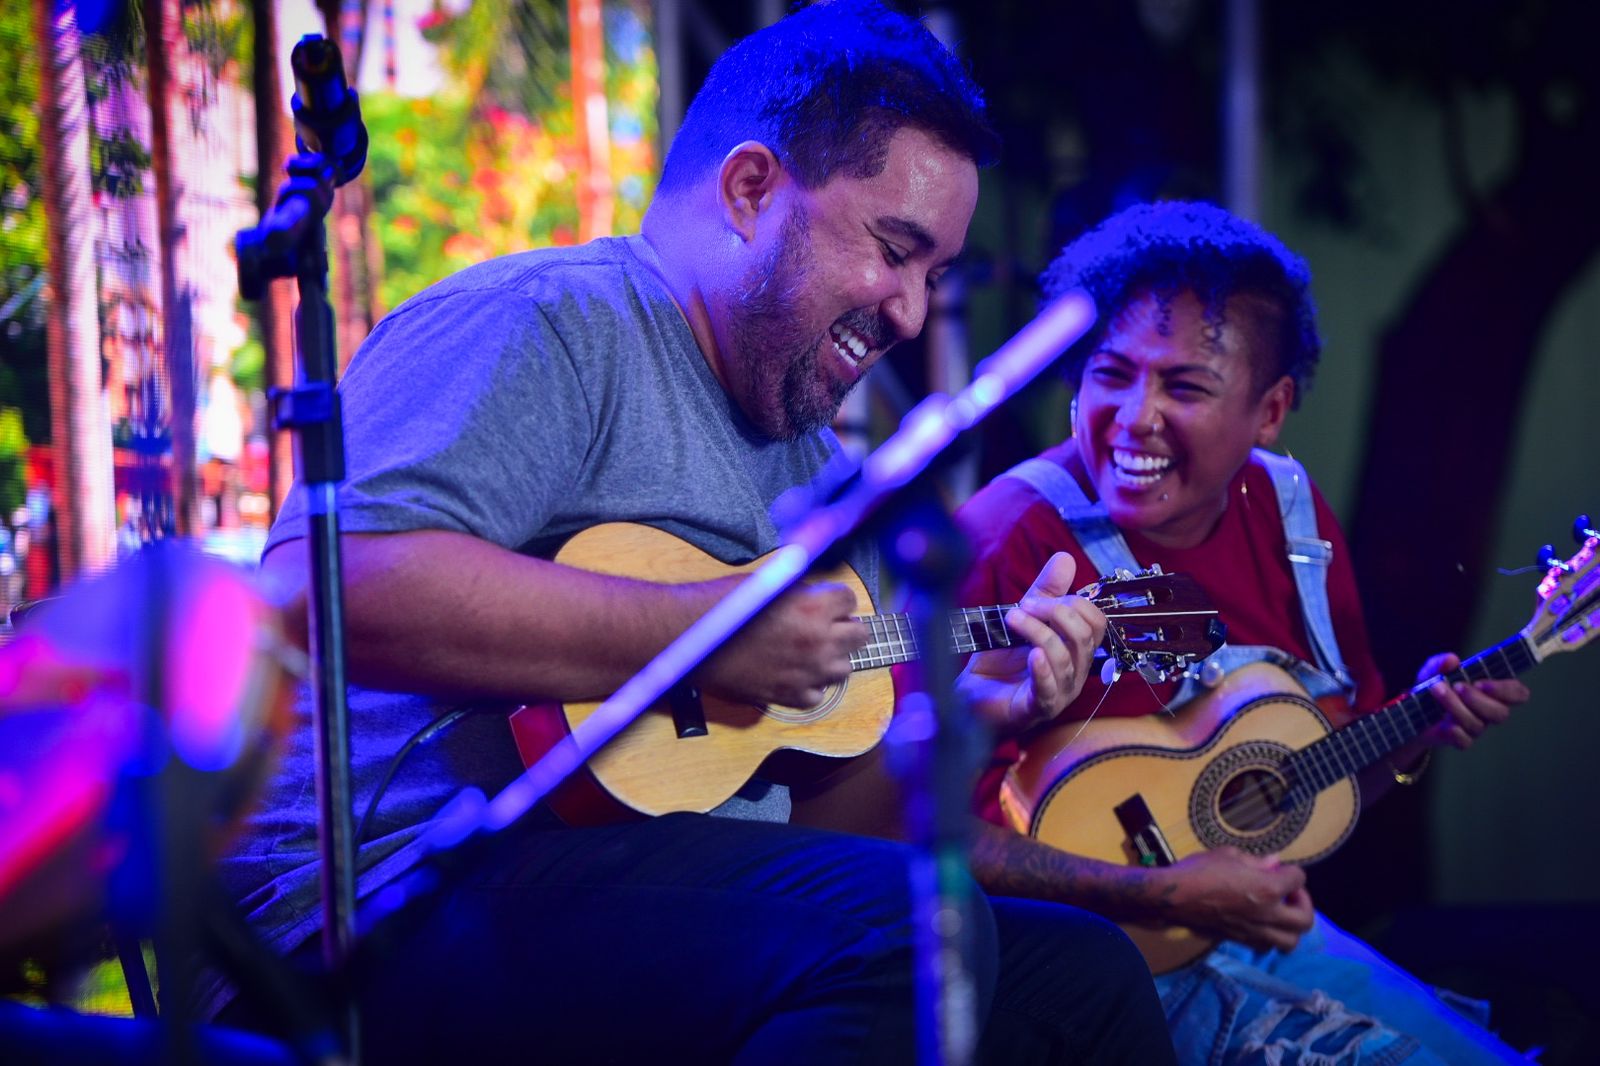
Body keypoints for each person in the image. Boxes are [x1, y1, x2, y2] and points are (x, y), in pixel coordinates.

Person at [214, 3, 1177, 1062]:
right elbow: (325, 587)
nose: (909, 310)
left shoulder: (824, 475)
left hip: (630, 893)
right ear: (751, 188)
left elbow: (830, 837)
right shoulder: (550, 323)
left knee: (1081, 975)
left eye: (934, 275)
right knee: (890, 933)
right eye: (894, 249)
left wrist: (975, 716)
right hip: (375, 907)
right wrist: (702, 627)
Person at [952, 199, 1533, 1064]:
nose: (1135, 417)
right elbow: (918, 842)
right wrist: (1154, 891)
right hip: (1062, 967)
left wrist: (1416, 732)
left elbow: (1299, 789)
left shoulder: (1295, 523)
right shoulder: (1010, 535)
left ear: (1270, 412)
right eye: (1110, 373)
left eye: (1183, 385)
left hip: (1231, 926)